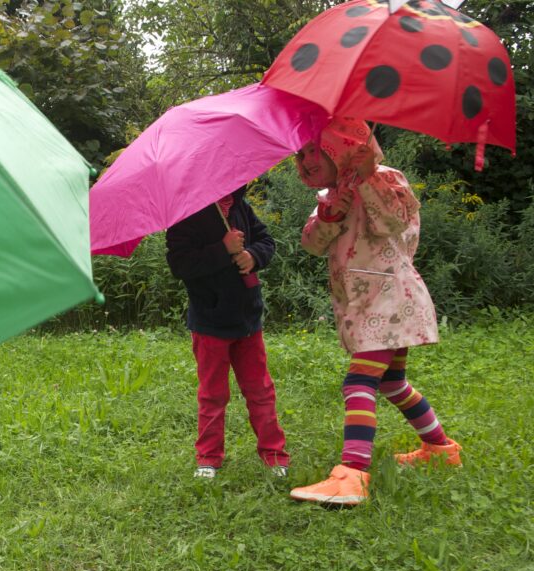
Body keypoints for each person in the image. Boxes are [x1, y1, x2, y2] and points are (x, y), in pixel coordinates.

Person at [289, 118, 462, 507]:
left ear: (342, 146)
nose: (303, 161)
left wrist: (368, 177)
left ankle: (353, 473)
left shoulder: (386, 178)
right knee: (392, 383)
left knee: (359, 382)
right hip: (362, 304)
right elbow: (313, 245)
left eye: (312, 151)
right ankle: (440, 449)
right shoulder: (331, 194)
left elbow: (394, 221)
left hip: (388, 299)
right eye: (298, 155)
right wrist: (329, 215)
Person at [165, 186, 289, 479]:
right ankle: (208, 457)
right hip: (210, 321)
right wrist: (224, 249)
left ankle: (274, 454)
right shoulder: (185, 216)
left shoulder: (239, 206)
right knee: (213, 393)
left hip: (247, 318)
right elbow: (181, 265)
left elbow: (266, 241)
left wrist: (252, 256)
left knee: (260, 390)